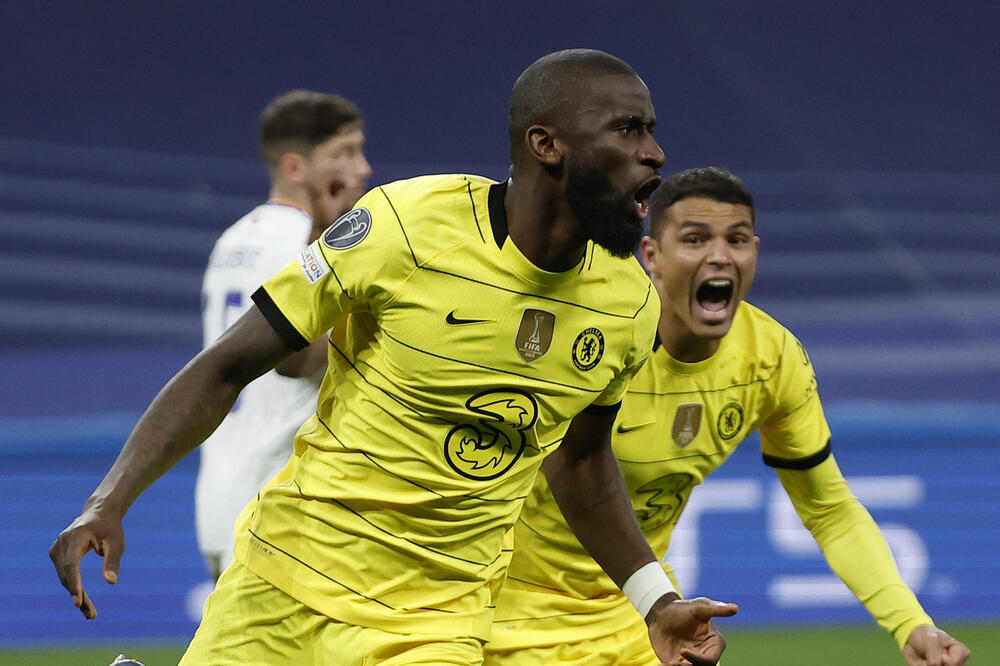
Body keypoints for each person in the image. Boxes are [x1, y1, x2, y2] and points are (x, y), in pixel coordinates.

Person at [49, 50, 738, 666]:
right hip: (284, 579)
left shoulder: (628, 305)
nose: (654, 153)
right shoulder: (404, 227)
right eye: (628, 129)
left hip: (433, 624)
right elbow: (229, 363)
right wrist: (108, 501)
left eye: (649, 130)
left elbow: (583, 463)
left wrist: (654, 600)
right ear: (547, 144)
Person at [486, 166, 971, 666]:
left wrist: (909, 622)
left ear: (753, 254)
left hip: (642, 616)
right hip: (503, 615)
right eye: (695, 239)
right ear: (652, 256)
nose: (719, 255)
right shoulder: (595, 335)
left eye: (736, 239)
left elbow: (829, 509)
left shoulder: (770, 358)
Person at [196, 89, 372, 580]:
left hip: (222, 493)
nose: (362, 169)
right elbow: (298, 361)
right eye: (344, 153)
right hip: (282, 499)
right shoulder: (310, 242)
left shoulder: (232, 240)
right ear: (296, 168)